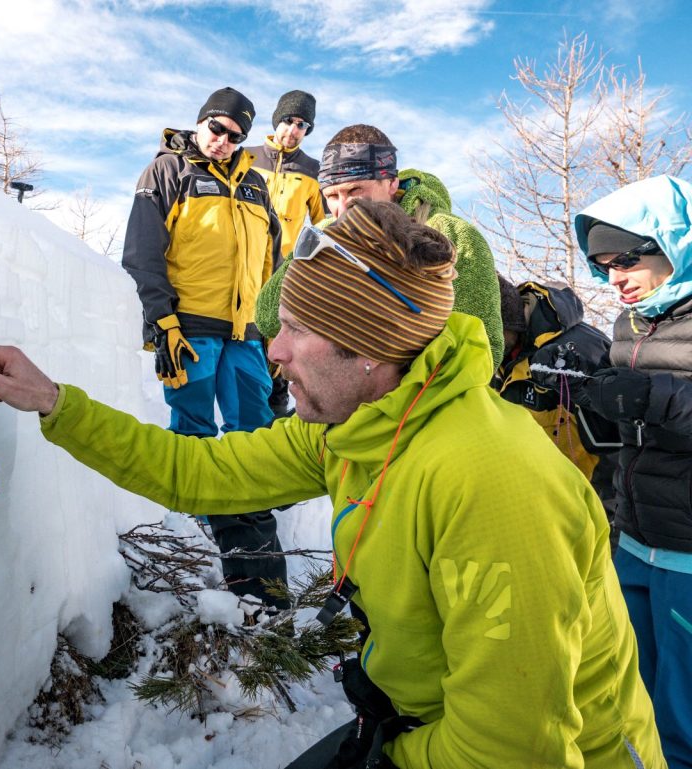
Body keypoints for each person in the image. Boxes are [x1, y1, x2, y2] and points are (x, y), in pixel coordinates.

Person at [0, 198, 663, 768]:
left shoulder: (491, 484)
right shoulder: (356, 427)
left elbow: (514, 750)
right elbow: (195, 470)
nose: (275, 349)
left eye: (296, 328)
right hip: (421, 723)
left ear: (372, 350)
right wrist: (55, 403)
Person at [120, 87, 288, 610]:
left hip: (247, 335)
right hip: (188, 328)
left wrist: (277, 333)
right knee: (194, 433)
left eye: (236, 135)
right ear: (201, 122)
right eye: (217, 129)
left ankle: (254, 563)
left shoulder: (258, 186)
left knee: (253, 435)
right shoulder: (167, 172)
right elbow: (142, 253)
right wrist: (160, 321)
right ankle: (195, 537)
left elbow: (275, 269)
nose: (223, 141)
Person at [572, 174, 692, 769]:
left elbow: (665, 404)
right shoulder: (630, 325)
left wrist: (654, 398)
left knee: (682, 718)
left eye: (626, 257)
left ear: (672, 243)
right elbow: (628, 437)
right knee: (627, 697)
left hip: (689, 554)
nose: (614, 276)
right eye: (602, 264)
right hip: (635, 541)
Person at [257, 124, 504, 368]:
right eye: (331, 196)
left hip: (418, 400)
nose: (342, 209)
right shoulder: (324, 235)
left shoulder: (451, 234)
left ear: (392, 183)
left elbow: (481, 350)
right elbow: (267, 318)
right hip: (341, 394)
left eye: (354, 190)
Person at [493, 275, 620, 542]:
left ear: (508, 324)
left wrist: (600, 515)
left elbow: (617, 440)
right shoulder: (505, 358)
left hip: (588, 513)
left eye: (490, 336)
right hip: (532, 506)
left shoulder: (581, 349)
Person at [246, 89, 328, 418]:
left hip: (285, 275)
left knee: (280, 351)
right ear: (276, 120)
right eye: (288, 121)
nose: (293, 131)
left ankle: (276, 421)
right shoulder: (246, 158)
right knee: (246, 350)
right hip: (245, 269)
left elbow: (327, 221)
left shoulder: (312, 170)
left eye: (302, 125)